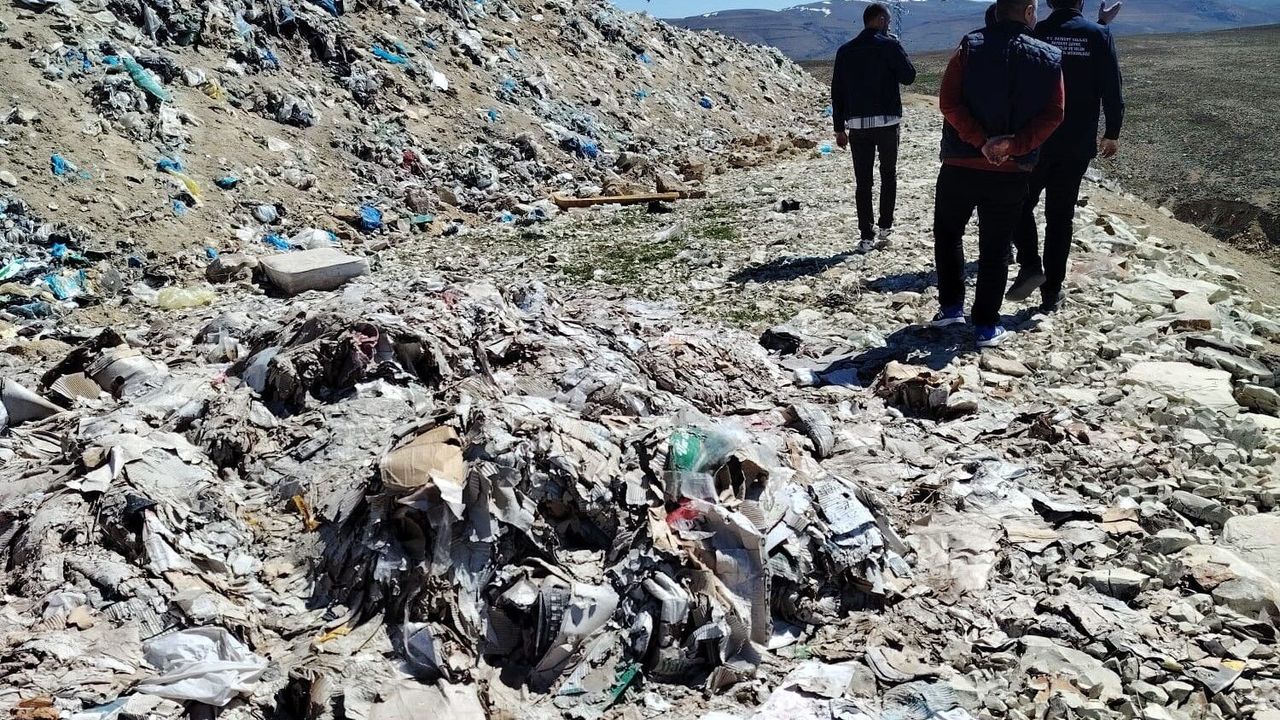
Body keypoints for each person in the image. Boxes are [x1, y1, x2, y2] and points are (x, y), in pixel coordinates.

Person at [931, 0, 1064, 348]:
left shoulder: (969, 46)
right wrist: (1013, 145)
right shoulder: (1049, 57)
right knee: (995, 246)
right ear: (1030, 12)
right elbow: (1054, 113)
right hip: (1011, 170)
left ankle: (951, 308)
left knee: (948, 234)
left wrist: (980, 141)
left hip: (960, 163)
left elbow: (948, 101)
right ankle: (986, 325)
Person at [1005, 0, 1125, 311]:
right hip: (1076, 143)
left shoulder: (1035, 31)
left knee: (1020, 204)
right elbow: (1111, 87)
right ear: (1081, 2)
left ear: (1048, 3)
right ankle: (1052, 292)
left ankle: (1031, 264)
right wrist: (1112, 132)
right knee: (1060, 216)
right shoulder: (1098, 35)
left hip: (1035, 140)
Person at [830, 3, 916, 253]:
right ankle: (885, 226)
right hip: (887, 122)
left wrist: (839, 128)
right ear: (880, 20)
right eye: (887, 21)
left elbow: (837, 91)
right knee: (888, 174)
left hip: (858, 125)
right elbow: (909, 76)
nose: (888, 25)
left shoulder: (845, 51)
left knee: (863, 181)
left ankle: (866, 236)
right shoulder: (889, 46)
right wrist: (898, 47)